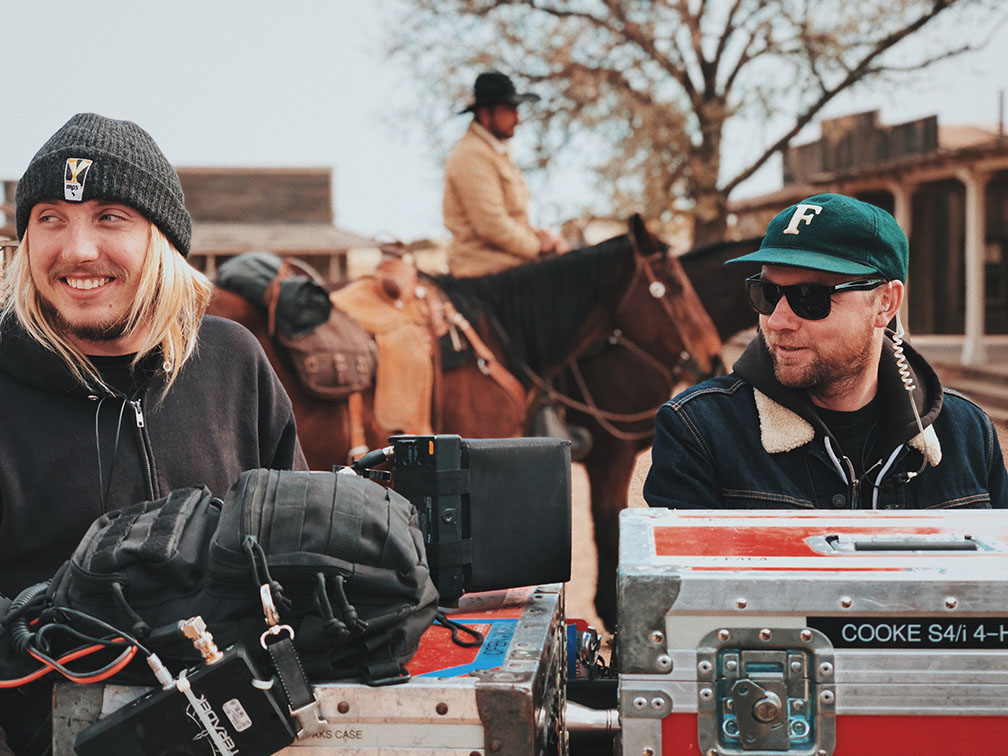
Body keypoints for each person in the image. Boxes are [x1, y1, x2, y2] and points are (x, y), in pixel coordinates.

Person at [0, 112, 308, 754]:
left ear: (161, 238)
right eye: (49, 218)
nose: (77, 250)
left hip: (250, 731)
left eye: (110, 217)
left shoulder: (233, 361)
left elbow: (298, 552)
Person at [644, 192, 1008, 510]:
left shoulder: (966, 433)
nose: (777, 320)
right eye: (766, 294)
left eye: (811, 298)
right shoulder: (700, 430)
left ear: (885, 303)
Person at [443, 70, 570, 277]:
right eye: (509, 109)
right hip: (482, 271)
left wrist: (544, 237)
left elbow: (513, 219)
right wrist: (539, 246)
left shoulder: (494, 152)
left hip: (507, 264)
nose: (517, 118)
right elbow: (491, 224)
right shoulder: (471, 154)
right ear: (485, 114)